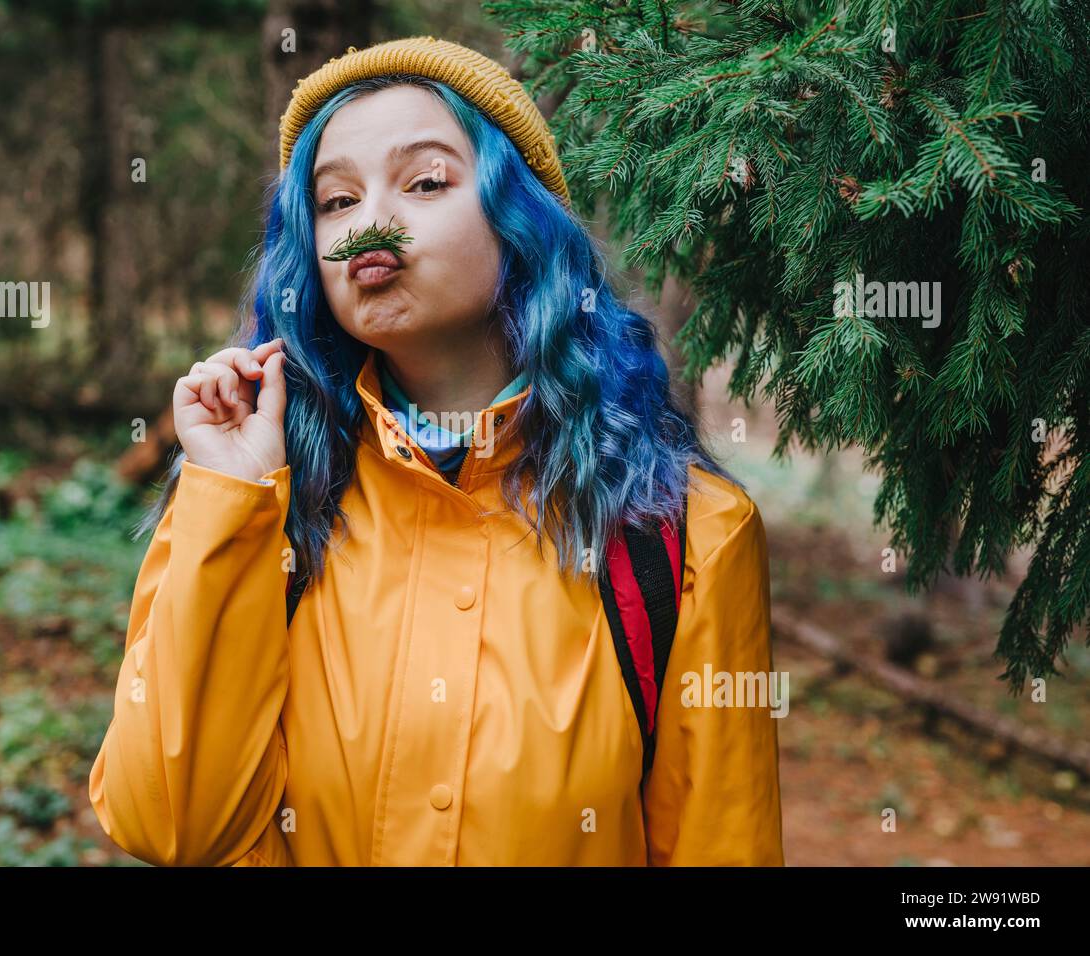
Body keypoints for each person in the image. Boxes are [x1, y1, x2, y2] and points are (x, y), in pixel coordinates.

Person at [89, 36, 783, 866]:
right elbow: (169, 825)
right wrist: (232, 502)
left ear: (518, 221)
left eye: (423, 182)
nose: (369, 223)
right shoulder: (265, 501)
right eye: (336, 201)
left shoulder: (685, 536)